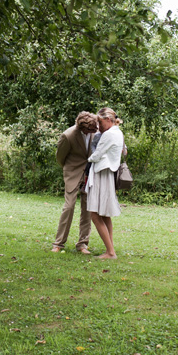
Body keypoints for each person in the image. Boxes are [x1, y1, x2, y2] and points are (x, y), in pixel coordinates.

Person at [52, 111, 98, 254]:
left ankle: (83, 244)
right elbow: (60, 157)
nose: (94, 131)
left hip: (89, 172)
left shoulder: (94, 131)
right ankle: (59, 243)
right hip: (72, 172)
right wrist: (69, 170)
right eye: (90, 130)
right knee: (69, 206)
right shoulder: (68, 135)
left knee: (87, 208)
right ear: (81, 128)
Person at [86, 107, 124, 259]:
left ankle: (110, 252)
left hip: (101, 173)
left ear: (108, 120)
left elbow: (96, 155)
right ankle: (110, 248)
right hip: (106, 173)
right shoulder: (118, 132)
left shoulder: (109, 134)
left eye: (100, 123)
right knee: (105, 214)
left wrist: (87, 160)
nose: (99, 127)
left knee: (95, 214)